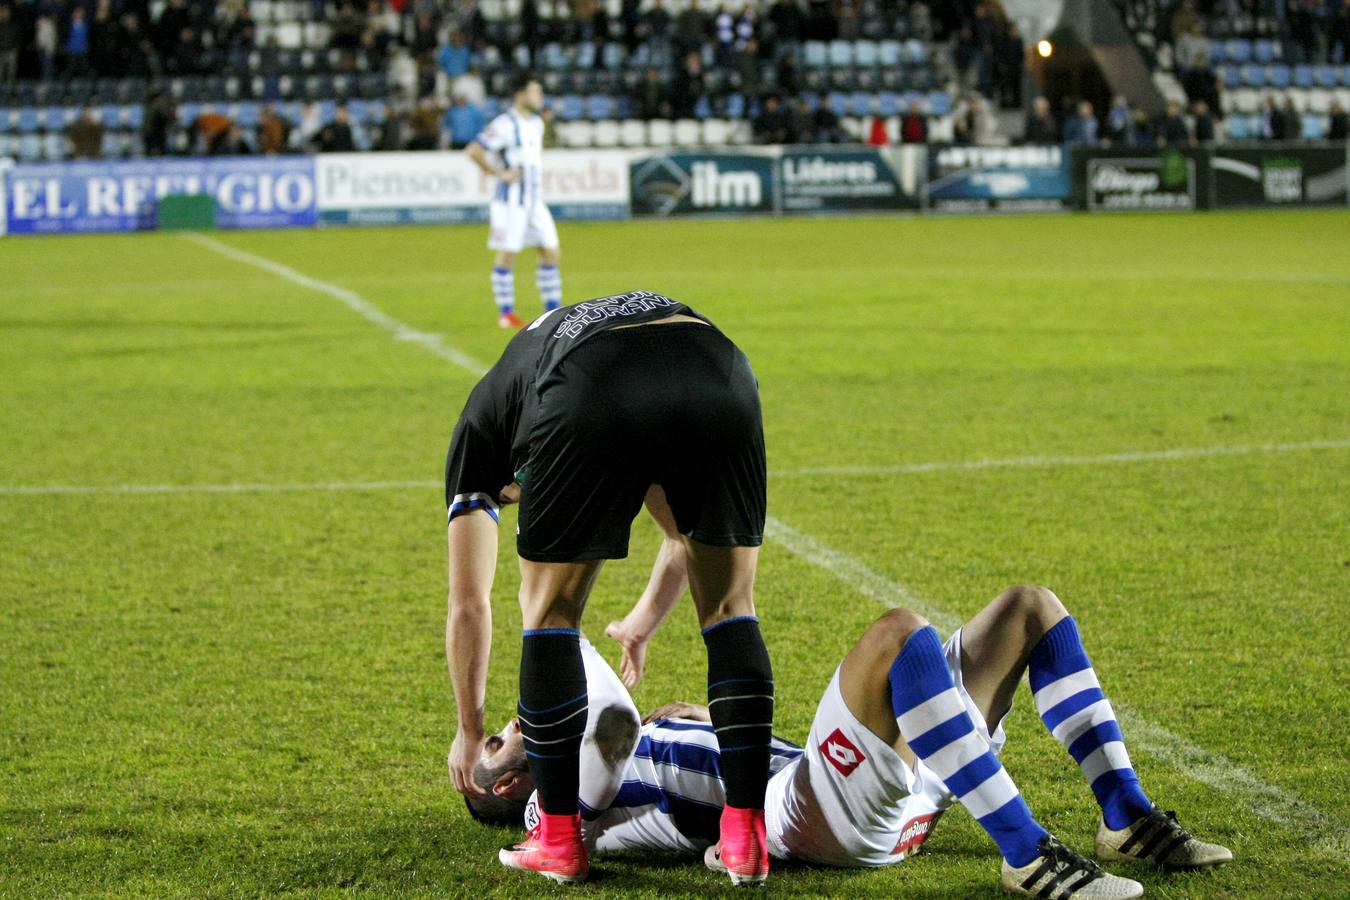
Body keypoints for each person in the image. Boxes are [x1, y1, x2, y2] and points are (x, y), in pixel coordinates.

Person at [468, 586, 1233, 897]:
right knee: (898, 634)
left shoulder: (631, 751)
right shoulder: (554, 812)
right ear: (508, 788)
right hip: (813, 815)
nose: (515, 723)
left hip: (858, 792)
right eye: (500, 743)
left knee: (1029, 609)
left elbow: (656, 734)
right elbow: (605, 712)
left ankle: (1125, 817)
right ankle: (1027, 853)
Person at [444, 290, 775, 887]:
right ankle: (746, 836)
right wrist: (644, 619)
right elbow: (681, 538)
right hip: (718, 365)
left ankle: (560, 839)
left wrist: (470, 730)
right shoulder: (528, 370)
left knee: (547, 614)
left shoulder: (477, 434)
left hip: (594, 380)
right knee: (731, 606)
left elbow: (469, 601)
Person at [465, 72, 562, 329]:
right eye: (535, 92)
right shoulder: (505, 124)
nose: (540, 97)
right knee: (508, 254)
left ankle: (552, 313)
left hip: (534, 199)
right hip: (510, 202)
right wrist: (498, 173)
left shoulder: (537, 124)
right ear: (521, 95)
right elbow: (474, 150)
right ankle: (506, 313)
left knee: (550, 251)